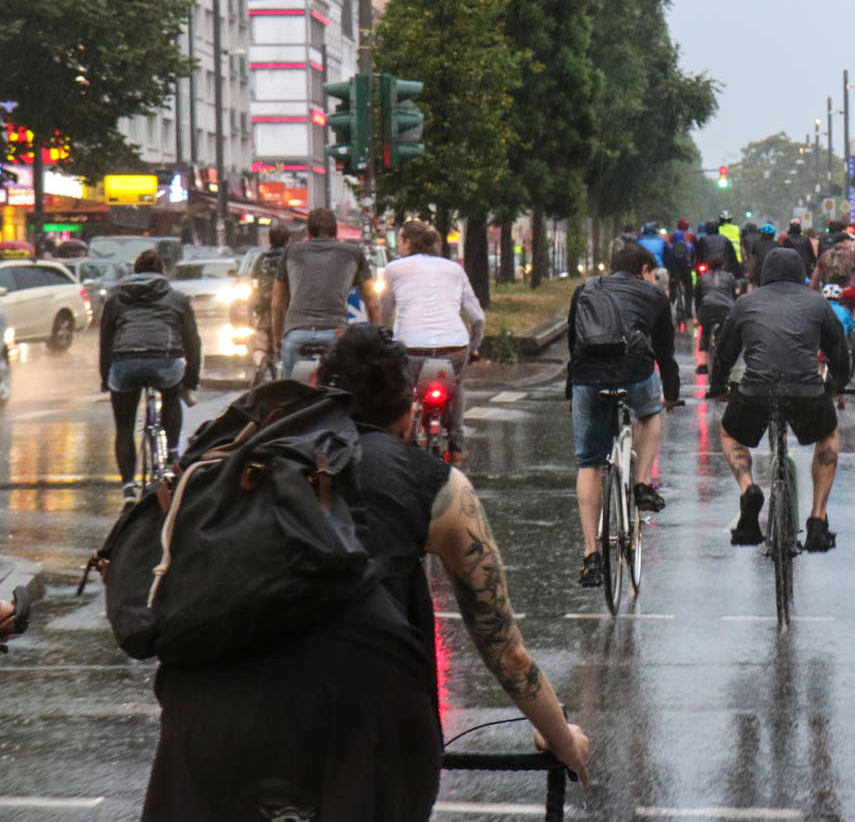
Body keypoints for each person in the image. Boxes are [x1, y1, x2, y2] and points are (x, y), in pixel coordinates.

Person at [140, 326, 590, 819]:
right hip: (359, 717)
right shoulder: (435, 484)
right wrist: (561, 737)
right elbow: (505, 648)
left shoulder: (251, 460)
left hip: (207, 711)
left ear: (317, 389)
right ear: (408, 410)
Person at [710, 248, 852, 553]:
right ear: (801, 273)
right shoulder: (817, 302)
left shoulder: (746, 303)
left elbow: (724, 352)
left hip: (756, 391)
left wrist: (717, 384)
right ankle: (818, 519)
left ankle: (749, 490)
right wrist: (838, 382)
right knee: (827, 435)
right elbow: (838, 348)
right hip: (806, 392)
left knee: (730, 434)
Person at [565, 242, 680, 586]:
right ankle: (642, 483)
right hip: (635, 371)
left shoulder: (584, 290)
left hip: (588, 376)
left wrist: (573, 391)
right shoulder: (654, 296)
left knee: (590, 463)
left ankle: (591, 554)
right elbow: (665, 353)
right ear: (644, 270)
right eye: (653, 274)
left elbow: (574, 343)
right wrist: (671, 394)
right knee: (649, 412)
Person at [99, 249, 202, 504]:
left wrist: (105, 377)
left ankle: (127, 489)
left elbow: (106, 342)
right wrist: (190, 380)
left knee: (124, 427)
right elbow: (193, 342)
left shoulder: (115, 300)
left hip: (125, 364)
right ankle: (172, 456)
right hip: (165, 362)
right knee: (171, 396)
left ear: (134, 272)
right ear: (162, 272)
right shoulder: (177, 298)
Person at [381, 221, 485, 462]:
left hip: (410, 349)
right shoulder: (455, 270)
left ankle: (402, 441)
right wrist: (474, 347)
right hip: (454, 348)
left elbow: (384, 312)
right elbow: (478, 317)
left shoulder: (394, 269)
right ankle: (457, 445)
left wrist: (382, 338)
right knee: (456, 386)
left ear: (408, 242)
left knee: (406, 392)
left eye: (400, 240)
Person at [273, 207, 381, 377]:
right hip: (337, 336)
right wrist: (377, 341)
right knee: (342, 389)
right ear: (336, 231)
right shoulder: (353, 253)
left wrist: (278, 340)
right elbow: (373, 303)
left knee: (291, 391)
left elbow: (277, 304)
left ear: (308, 233)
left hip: (297, 334)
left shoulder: (290, 252)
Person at [250, 223, 291, 366]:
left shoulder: (262, 259)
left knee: (261, 340)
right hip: (286, 306)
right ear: (288, 240)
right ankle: (284, 366)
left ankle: (259, 364)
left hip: (265, 305)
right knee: (287, 339)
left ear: (270, 240)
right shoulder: (291, 258)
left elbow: (254, 281)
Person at [693, 254, 738, 376]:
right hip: (726, 308)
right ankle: (725, 363)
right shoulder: (729, 277)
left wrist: (697, 316)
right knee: (726, 335)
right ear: (722, 265)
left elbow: (697, 299)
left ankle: (703, 365)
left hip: (707, 308)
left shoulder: (702, 278)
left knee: (705, 332)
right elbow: (734, 296)